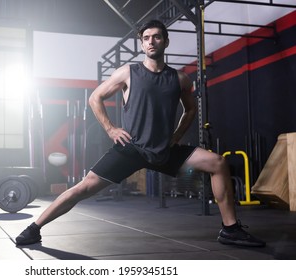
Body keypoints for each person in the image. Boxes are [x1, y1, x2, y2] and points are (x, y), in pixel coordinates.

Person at [16, 19, 265, 247]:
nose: (151, 41)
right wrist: (111, 129)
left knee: (217, 162)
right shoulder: (128, 73)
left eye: (156, 37)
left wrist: (177, 136)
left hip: (164, 151)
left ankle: (230, 229)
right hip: (131, 149)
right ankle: (34, 228)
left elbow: (190, 110)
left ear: (165, 41)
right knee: (84, 188)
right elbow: (95, 98)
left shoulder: (179, 79)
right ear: (142, 43)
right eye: (146, 38)